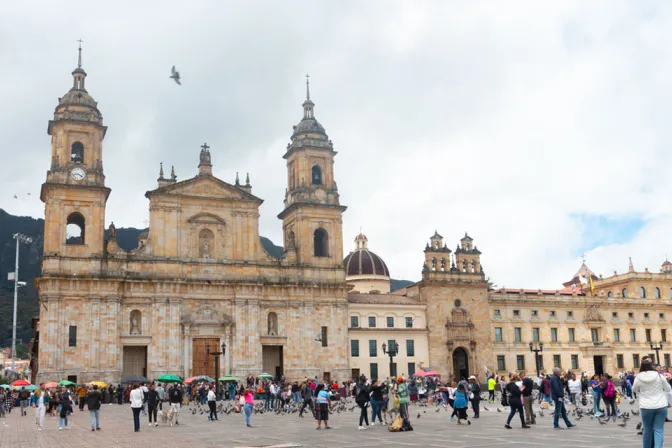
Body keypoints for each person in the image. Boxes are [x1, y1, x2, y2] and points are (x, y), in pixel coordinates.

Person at [633, 360, 671, 448]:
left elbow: (634, 389)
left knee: (647, 429)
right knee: (659, 429)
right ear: (651, 366)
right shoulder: (659, 376)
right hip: (661, 405)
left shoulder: (638, 377)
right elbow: (668, 389)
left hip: (646, 406)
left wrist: (641, 390)